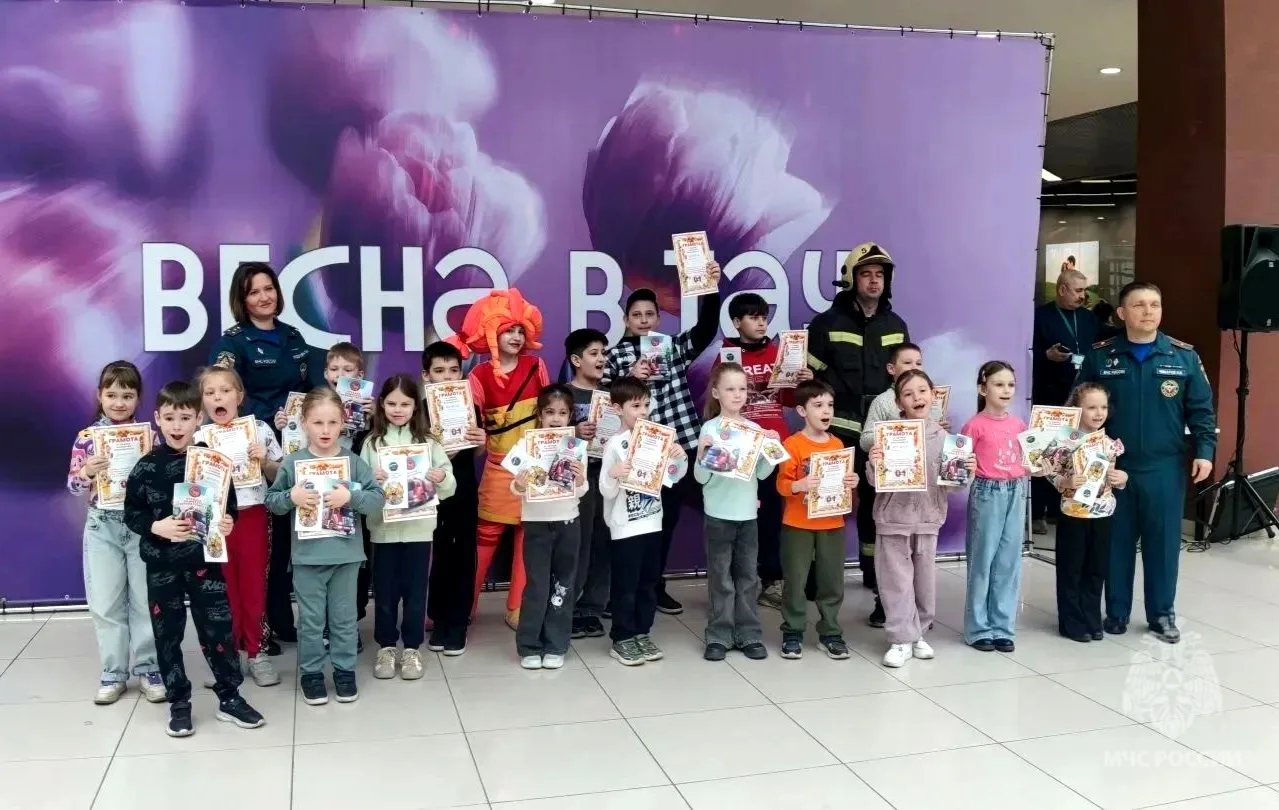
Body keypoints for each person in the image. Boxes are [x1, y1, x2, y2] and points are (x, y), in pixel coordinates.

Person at [1076, 281, 1216, 644]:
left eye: (1155, 304)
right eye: (1139, 305)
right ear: (1122, 313)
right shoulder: (1100, 356)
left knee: (1164, 543)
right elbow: (1076, 409)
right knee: (1116, 542)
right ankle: (1117, 612)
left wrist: (1205, 451)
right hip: (1112, 467)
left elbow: (1201, 411)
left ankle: (1162, 614)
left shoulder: (1183, 357)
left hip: (1163, 468)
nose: (1148, 311)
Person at [123, 380, 264, 737]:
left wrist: (228, 520)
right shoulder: (145, 466)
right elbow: (132, 513)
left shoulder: (212, 461)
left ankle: (230, 697)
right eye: (169, 417)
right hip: (162, 564)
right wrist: (156, 526)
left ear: (198, 419)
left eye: (185, 418)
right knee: (167, 634)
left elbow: (229, 505)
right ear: (157, 419)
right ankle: (178, 702)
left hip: (206, 561)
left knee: (218, 629)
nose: (177, 426)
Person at [210, 261, 324, 650]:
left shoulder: (293, 336)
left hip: (292, 452)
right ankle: (258, 627)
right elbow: (222, 397)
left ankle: (279, 618)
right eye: (254, 292)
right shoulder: (232, 343)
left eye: (269, 288)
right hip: (251, 453)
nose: (264, 297)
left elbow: (311, 389)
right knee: (264, 546)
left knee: (289, 540)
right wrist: (261, 422)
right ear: (241, 300)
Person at [807, 242, 910, 629]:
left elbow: (907, 379)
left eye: (880, 275)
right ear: (851, 279)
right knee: (827, 502)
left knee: (877, 508)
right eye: (866, 274)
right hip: (837, 431)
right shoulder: (825, 324)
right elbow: (811, 381)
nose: (874, 281)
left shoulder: (896, 326)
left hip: (882, 434)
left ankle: (874, 575)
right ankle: (817, 578)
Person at [603, 285, 722, 615]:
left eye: (649, 314)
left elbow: (705, 331)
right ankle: (623, 592)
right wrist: (630, 378)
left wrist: (710, 289)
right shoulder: (613, 355)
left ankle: (654, 586)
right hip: (636, 453)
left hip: (677, 447)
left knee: (666, 522)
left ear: (658, 318)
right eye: (636, 315)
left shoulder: (671, 347)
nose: (643, 320)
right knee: (631, 524)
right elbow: (603, 401)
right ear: (626, 319)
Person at [266, 388, 384, 706]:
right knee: (311, 622)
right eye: (318, 422)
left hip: (346, 557)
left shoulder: (353, 463)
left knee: (344, 620)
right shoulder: (293, 463)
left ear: (343, 422)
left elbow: (377, 499)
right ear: (304, 423)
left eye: (332, 422)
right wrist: (291, 497)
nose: (326, 430)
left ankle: (344, 671)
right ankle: (311, 674)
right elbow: (272, 502)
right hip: (307, 558)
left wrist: (351, 497)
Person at [449, 290, 549, 631]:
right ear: (492, 332)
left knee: (528, 535)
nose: (516, 337)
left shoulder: (537, 366)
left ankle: (518, 607)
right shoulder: (477, 377)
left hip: (534, 466)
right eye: (509, 330)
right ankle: (464, 605)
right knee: (485, 537)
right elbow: (470, 425)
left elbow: (550, 416)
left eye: (521, 330)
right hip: (498, 467)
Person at [68, 361, 165, 705]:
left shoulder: (150, 437)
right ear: (100, 395)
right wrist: (87, 473)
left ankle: (149, 667)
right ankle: (113, 672)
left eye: (127, 395)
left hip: (140, 525)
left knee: (144, 599)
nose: (119, 402)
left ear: (138, 398)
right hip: (102, 525)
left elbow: (162, 479)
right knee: (105, 602)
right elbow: (73, 486)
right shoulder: (87, 439)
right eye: (112, 395)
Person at [715, 292, 812, 612]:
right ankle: (733, 582)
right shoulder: (727, 356)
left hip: (774, 449)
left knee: (771, 516)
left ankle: (772, 580)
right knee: (737, 518)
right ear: (736, 322)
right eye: (753, 317)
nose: (761, 323)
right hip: (740, 450)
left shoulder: (779, 353)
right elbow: (716, 403)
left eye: (764, 317)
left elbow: (790, 402)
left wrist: (802, 382)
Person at [868, 370, 971, 668]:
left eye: (922, 391)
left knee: (924, 582)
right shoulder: (888, 435)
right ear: (899, 402)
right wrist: (874, 463)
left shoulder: (947, 439)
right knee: (896, 582)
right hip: (893, 519)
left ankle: (918, 634)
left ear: (933, 395)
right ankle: (901, 638)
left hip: (928, 518)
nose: (917, 397)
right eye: (908, 393)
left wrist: (966, 470)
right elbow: (875, 481)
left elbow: (952, 486)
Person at [359, 375, 455, 681]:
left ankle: (412, 648)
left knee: (416, 594)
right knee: (385, 594)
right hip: (384, 532)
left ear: (416, 407)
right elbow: (360, 490)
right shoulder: (372, 443)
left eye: (405, 404)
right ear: (381, 404)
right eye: (391, 403)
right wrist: (371, 481)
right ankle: (387, 647)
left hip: (419, 530)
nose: (398, 409)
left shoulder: (429, 443)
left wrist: (441, 477)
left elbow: (449, 484)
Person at [195, 366, 284, 688]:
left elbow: (280, 475)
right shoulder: (198, 437)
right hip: (216, 522)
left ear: (239, 396)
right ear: (203, 401)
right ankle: (227, 656)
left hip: (253, 515)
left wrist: (265, 461)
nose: (218, 397)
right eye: (210, 393)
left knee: (253, 587)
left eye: (225, 391)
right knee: (223, 590)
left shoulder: (259, 430)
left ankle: (257, 652)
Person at [598, 377, 689, 666]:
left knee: (648, 583)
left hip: (652, 522)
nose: (643, 411)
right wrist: (614, 473)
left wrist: (679, 457)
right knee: (626, 584)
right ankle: (622, 637)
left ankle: (642, 632)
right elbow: (605, 490)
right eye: (635, 406)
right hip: (625, 527)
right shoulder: (615, 444)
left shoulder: (657, 438)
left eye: (646, 405)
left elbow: (672, 476)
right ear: (617, 409)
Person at [693, 363, 778, 662]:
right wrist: (702, 456)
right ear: (716, 393)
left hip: (748, 516)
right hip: (718, 515)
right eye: (730, 389)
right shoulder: (710, 429)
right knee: (721, 579)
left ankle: (749, 634)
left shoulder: (754, 430)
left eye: (742, 388)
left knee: (748, 578)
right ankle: (719, 634)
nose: (738, 394)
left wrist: (771, 450)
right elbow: (701, 478)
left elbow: (763, 474)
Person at [776, 380, 859, 660]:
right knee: (796, 579)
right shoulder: (792, 444)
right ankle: (793, 631)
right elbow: (781, 484)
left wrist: (852, 481)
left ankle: (830, 632)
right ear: (802, 411)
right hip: (797, 524)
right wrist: (798, 485)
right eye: (818, 405)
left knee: (831, 581)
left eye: (830, 405)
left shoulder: (837, 444)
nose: (826, 411)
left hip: (832, 523)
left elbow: (843, 484)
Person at [511, 385, 589, 670]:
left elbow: (582, 491)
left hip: (568, 522)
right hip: (536, 525)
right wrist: (520, 484)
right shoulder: (526, 445)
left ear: (570, 416)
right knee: (537, 586)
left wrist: (580, 480)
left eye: (562, 413)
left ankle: (556, 644)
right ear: (539, 415)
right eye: (550, 412)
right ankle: (529, 645)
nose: (556, 419)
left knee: (563, 585)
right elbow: (515, 488)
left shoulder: (575, 448)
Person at [1045, 383, 1127, 642]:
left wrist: (1122, 479)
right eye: (1091, 407)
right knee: (1071, 569)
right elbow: (1049, 471)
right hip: (1073, 514)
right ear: (1076, 410)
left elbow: (1117, 477)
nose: (1098, 413)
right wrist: (1065, 482)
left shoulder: (1111, 444)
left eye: (1103, 407)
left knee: (1096, 569)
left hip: (1102, 514)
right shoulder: (1065, 442)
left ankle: (1092, 618)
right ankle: (1071, 621)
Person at [421, 342, 487, 655]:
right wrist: (437, 455)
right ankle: (438, 617)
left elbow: (477, 452)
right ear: (426, 375)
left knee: (461, 555)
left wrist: (480, 440)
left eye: (453, 370)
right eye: (439, 370)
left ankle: (457, 623)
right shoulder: (417, 410)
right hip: (429, 494)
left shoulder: (470, 406)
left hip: (462, 490)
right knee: (438, 555)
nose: (447, 376)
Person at [961, 361, 1030, 653]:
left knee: (1008, 561)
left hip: (1016, 490)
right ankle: (978, 628)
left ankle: (1002, 627)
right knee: (983, 561)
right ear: (983, 389)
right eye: (999, 384)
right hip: (987, 492)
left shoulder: (1019, 425)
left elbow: (1029, 461)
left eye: (1011, 385)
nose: (1006, 390)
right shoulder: (974, 425)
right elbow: (959, 466)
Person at [1031, 269, 1099, 535]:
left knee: (1073, 453)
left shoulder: (1089, 318)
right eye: (1078, 290)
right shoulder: (1040, 317)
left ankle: (1062, 508)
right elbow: (1027, 351)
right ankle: (1038, 512)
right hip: (1050, 395)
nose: (1083, 296)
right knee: (1047, 453)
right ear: (1062, 289)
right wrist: (1046, 355)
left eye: (1085, 290)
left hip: (1081, 398)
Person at [564, 328, 612, 640]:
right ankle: (566, 607)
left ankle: (592, 608)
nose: (601, 359)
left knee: (602, 542)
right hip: (575, 479)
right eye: (594, 353)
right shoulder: (563, 395)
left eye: (604, 353)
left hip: (607, 476)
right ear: (576, 360)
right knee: (577, 544)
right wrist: (574, 432)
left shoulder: (612, 396)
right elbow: (545, 436)